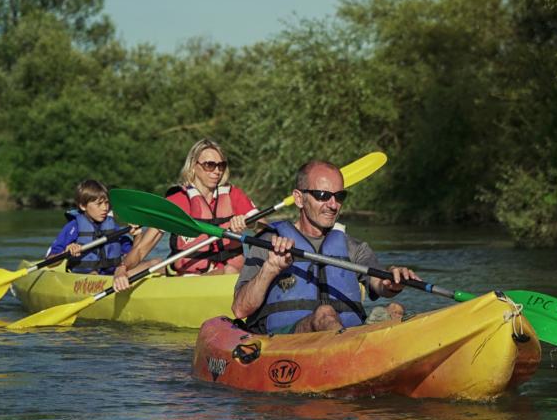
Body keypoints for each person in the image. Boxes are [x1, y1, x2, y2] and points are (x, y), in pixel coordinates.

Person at [232, 160, 420, 334]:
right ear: (299, 198)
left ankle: (364, 346)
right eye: (323, 196)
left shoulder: (353, 247)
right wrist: (270, 269)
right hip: (286, 339)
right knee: (324, 314)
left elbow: (380, 284)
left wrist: (392, 282)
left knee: (396, 310)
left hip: (346, 337)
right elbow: (240, 309)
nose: (333, 205)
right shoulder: (268, 242)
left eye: (339, 196)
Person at [113, 138, 259, 291]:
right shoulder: (176, 201)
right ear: (193, 167)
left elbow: (264, 227)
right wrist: (122, 269)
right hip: (185, 280)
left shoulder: (233, 195)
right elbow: (142, 249)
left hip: (227, 275)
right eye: (210, 165)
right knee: (152, 264)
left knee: (230, 270)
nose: (217, 171)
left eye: (221, 165)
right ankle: (119, 279)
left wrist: (250, 223)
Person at [48, 179, 139, 275]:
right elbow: (50, 262)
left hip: (112, 276)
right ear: (83, 206)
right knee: (93, 273)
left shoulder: (113, 227)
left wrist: (137, 235)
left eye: (106, 203)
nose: (105, 208)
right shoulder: (73, 227)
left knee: (154, 263)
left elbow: (134, 254)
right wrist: (66, 252)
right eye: (99, 204)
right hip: (85, 278)